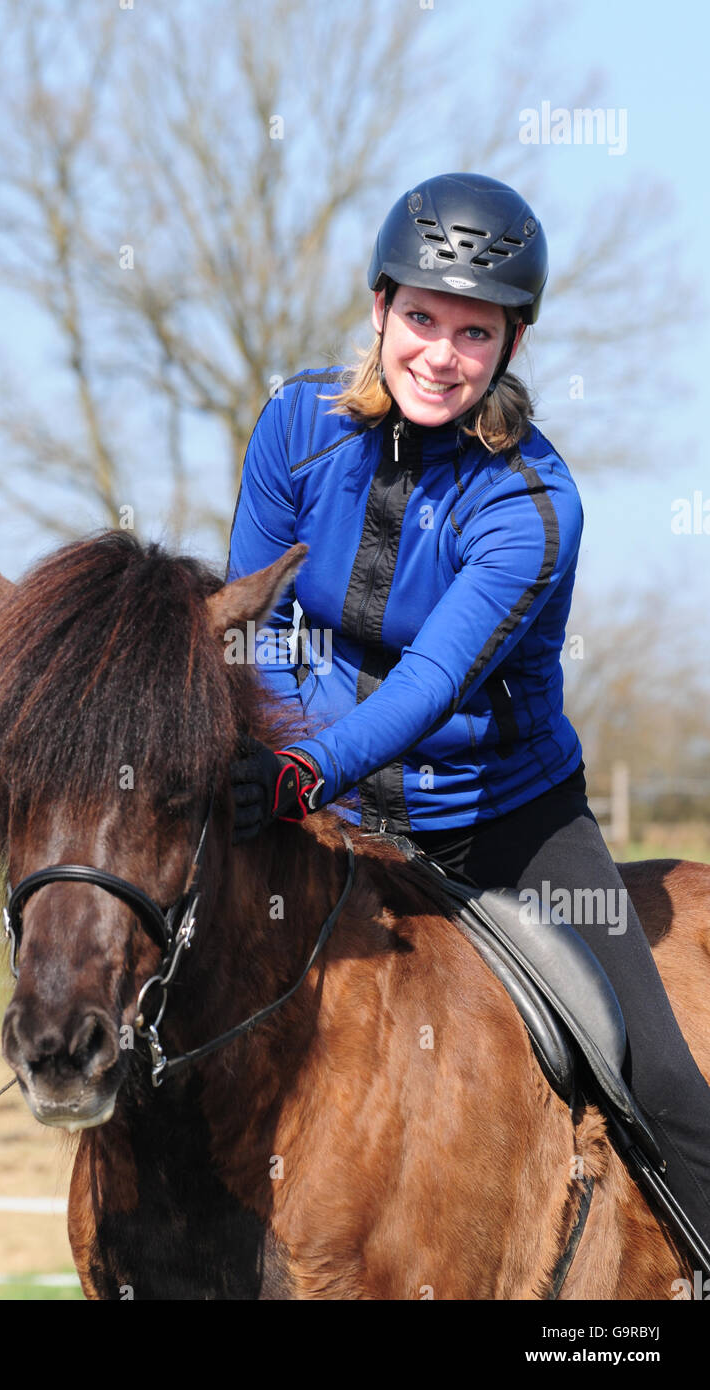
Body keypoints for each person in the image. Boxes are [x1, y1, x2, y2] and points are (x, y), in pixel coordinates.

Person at [225, 171, 710, 1256]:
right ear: (378, 309)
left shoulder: (535, 506)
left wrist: (302, 765)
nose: (439, 354)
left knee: (655, 1071)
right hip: (328, 809)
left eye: (473, 333)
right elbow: (249, 618)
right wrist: (275, 749)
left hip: (503, 824)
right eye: (421, 318)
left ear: (510, 345)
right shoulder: (292, 423)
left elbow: (428, 686)